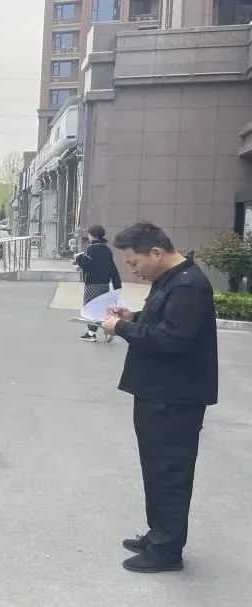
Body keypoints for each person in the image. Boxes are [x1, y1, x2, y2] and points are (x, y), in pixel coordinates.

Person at [99, 222, 217, 574]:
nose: (133, 270)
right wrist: (132, 317)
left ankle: (167, 551)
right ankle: (159, 535)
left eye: (134, 263)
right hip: (158, 392)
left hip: (175, 398)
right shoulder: (170, 280)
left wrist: (121, 328)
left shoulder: (188, 285)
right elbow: (162, 323)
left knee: (170, 472)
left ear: (156, 252)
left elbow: (172, 340)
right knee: (156, 468)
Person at [73, 225, 122, 343]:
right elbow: (112, 268)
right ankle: (108, 330)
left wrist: (78, 257)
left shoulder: (91, 248)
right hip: (104, 284)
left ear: (91, 235)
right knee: (102, 308)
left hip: (92, 284)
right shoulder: (107, 250)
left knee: (90, 308)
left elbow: (87, 265)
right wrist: (117, 284)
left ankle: (91, 334)